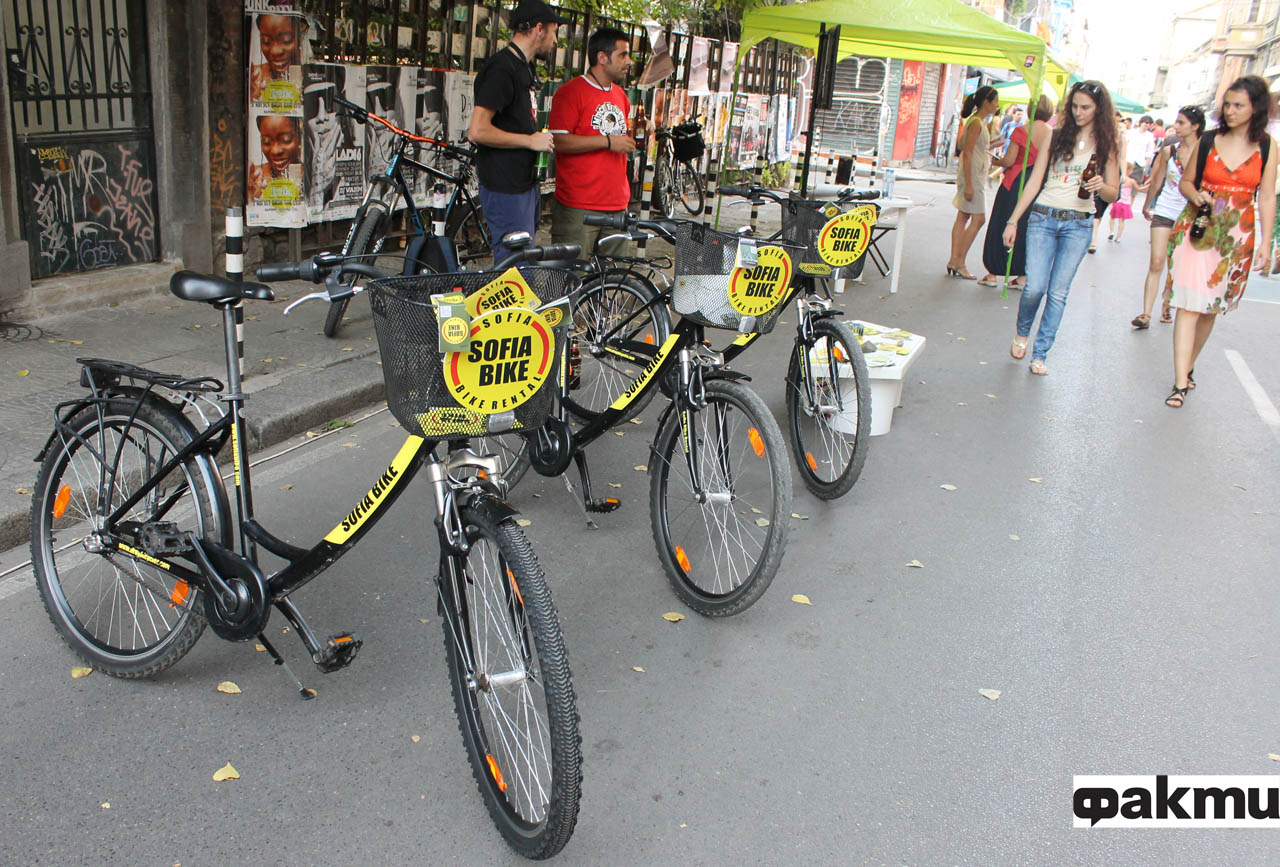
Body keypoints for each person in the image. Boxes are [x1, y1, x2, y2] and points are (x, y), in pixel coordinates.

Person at [1163, 75, 1277, 408]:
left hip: (1236, 236)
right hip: (1198, 229)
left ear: (1256, 108)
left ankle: (1188, 364)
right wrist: (1197, 195)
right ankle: (1180, 382)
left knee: (1209, 309)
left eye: (1238, 105)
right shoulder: (1209, 140)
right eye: (1227, 104)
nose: (1230, 111)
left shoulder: (1268, 146)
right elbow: (1186, 182)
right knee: (1188, 304)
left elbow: (1266, 196)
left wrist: (1266, 244)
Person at [1002, 80, 1122, 375]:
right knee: (1034, 287)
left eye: (1086, 107)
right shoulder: (1055, 137)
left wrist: (1101, 185)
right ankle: (1022, 332)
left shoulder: (1107, 144)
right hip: (1043, 216)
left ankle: (1040, 354)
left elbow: (1113, 194)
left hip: (1079, 223)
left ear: (1098, 109)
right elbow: (1035, 181)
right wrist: (1013, 220)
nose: (1079, 112)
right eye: (1075, 106)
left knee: (1058, 293)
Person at [466, 0, 566, 264]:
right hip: (506, 187)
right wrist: (530, 141)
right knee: (515, 269)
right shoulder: (502, 68)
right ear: (539, 29)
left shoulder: (524, 66)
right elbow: (477, 131)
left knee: (524, 263)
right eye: (554, 32)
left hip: (524, 183)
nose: (556, 41)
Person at [548, 27, 636, 256]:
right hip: (578, 206)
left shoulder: (621, 96)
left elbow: (622, 140)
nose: (629, 61)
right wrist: (606, 142)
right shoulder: (570, 92)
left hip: (617, 204)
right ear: (602, 57)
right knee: (573, 273)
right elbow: (558, 142)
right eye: (623, 55)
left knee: (617, 274)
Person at [1132, 105, 1204, 328]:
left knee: (1178, 264)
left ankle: (1167, 304)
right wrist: (1147, 204)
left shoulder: (1205, 153)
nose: (1176, 126)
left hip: (1190, 213)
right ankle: (1145, 314)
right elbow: (1158, 179)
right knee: (1156, 262)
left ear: (1195, 126)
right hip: (1165, 209)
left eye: (1182, 122)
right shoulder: (1169, 150)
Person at [979, 95, 1053, 288]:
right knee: (1028, 228)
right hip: (1039, 184)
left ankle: (993, 272)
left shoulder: (1021, 131)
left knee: (1002, 222)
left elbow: (1010, 160)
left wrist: (995, 160)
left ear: (1030, 109)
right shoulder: (1052, 134)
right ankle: (1022, 275)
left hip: (1015, 183)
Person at [947, 85, 999, 279]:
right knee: (978, 219)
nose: (997, 105)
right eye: (995, 102)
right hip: (973, 176)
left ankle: (954, 260)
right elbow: (967, 152)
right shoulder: (976, 122)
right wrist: (969, 183)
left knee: (963, 216)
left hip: (973, 173)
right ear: (986, 102)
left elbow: (965, 146)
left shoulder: (976, 121)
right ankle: (959, 261)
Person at [250, 14, 302, 102]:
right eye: (266, 41)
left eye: (286, 40)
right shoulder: (256, 77)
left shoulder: (310, 74)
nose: (275, 51)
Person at [249, 114, 302, 200]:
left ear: (299, 137)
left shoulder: (311, 176)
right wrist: (251, 196)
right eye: (266, 142)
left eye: (285, 139)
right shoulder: (255, 177)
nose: (275, 151)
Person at [1107, 174, 1137, 241]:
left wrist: (1110, 202)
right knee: (1122, 221)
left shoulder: (1118, 181)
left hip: (1117, 202)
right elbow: (1139, 189)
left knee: (1112, 218)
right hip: (1126, 203)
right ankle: (1118, 237)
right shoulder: (1131, 181)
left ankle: (1111, 232)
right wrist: (1148, 185)